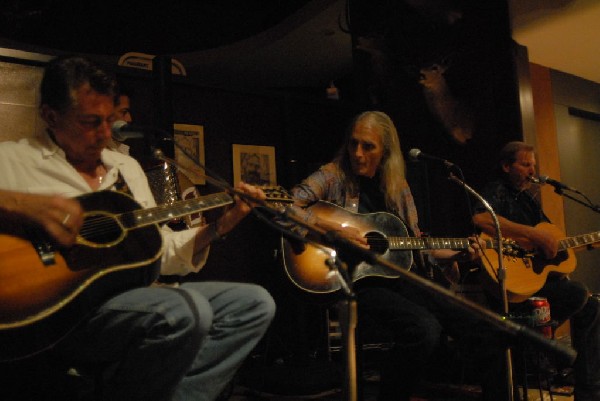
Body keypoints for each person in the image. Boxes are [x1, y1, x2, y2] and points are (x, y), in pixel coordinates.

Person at [0, 55, 276, 401]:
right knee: (186, 310)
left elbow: (160, 253)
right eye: (89, 122)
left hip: (127, 299)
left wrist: (220, 227)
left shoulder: (126, 168)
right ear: (51, 117)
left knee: (253, 303)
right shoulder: (12, 159)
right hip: (58, 312)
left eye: (109, 121)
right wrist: (21, 204)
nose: (103, 135)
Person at [289, 110, 497, 401]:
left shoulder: (397, 187)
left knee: (483, 325)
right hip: (354, 279)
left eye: (368, 146)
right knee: (424, 329)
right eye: (353, 144)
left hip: (398, 277)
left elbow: (417, 246)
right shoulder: (333, 174)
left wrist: (458, 255)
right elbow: (286, 205)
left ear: (385, 150)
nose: (357, 153)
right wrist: (333, 229)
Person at [472, 141, 600, 401]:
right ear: (507, 166)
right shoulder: (497, 190)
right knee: (577, 292)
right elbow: (481, 219)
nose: (532, 171)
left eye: (533, 165)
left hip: (534, 283)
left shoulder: (528, 200)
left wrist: (563, 248)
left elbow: (551, 243)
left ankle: (589, 392)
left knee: (591, 305)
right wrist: (532, 234)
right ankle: (533, 341)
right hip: (510, 286)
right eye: (525, 164)